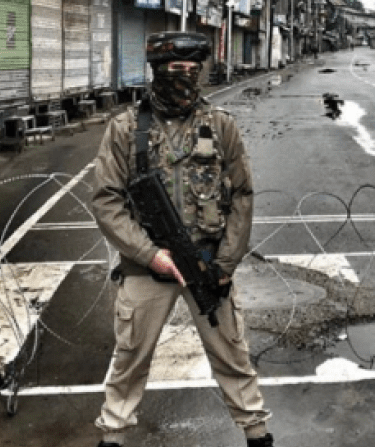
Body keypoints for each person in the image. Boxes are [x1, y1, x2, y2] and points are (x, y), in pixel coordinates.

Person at [90, 32, 273, 447]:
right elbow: (106, 200)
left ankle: (258, 434)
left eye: (193, 71)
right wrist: (149, 254)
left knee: (232, 356)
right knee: (129, 362)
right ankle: (113, 435)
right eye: (175, 71)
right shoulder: (125, 129)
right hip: (146, 269)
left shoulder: (220, 125)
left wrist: (225, 264)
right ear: (156, 71)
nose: (185, 79)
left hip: (209, 265)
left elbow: (242, 194)